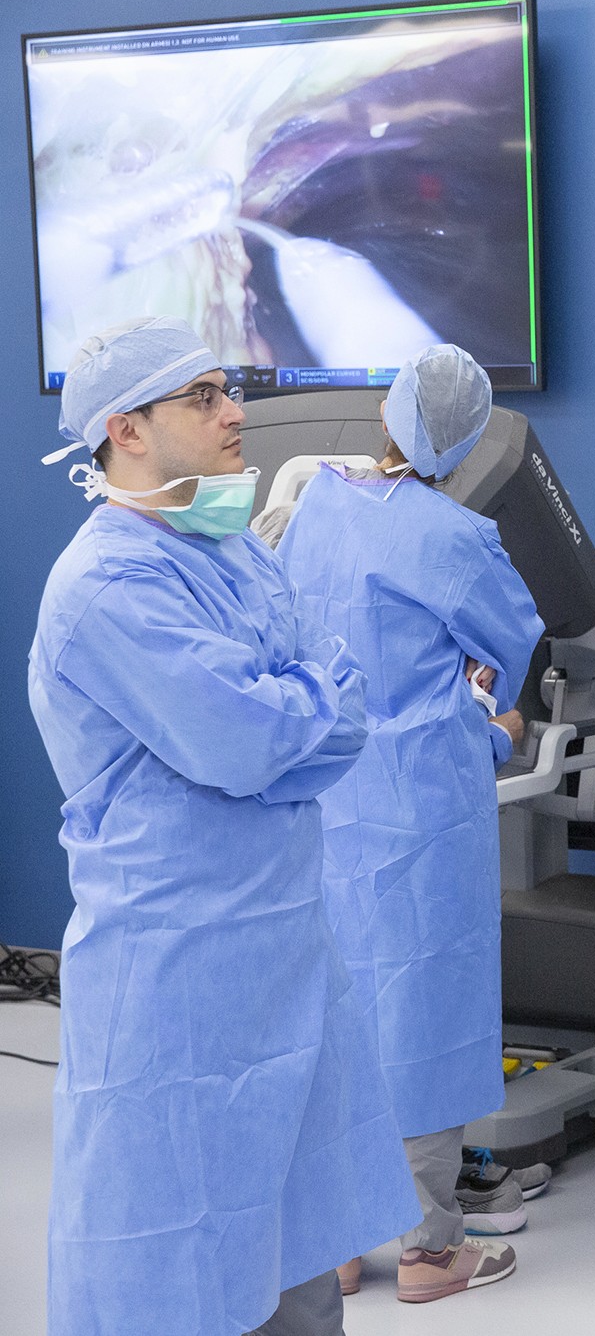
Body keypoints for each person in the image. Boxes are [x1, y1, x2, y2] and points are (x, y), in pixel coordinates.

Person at [28, 317, 419, 1336]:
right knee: (188, 1270)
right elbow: (249, 742)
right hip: (179, 979)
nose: (235, 412)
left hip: (286, 955)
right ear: (127, 430)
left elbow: (337, 698)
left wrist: (298, 706)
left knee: (294, 1249)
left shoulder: (231, 547)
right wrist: (300, 706)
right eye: (202, 397)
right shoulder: (108, 587)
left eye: (226, 389)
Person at [277, 344, 544, 1303]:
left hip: (325, 793)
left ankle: (339, 1245)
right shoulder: (456, 535)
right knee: (423, 1016)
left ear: (385, 411)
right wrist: (496, 716)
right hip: (423, 804)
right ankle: (432, 1250)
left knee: (337, 1011)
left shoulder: (314, 504)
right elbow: (510, 647)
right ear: (468, 440)